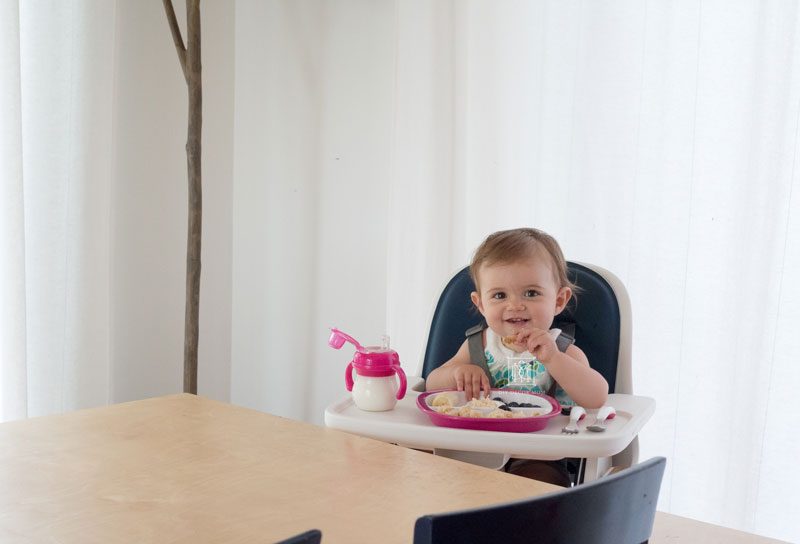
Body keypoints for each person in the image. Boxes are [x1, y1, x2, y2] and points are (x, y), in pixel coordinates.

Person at [425, 227, 608, 485]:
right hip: (476, 449)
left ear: (559, 300)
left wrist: (553, 359)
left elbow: (597, 396)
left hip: (541, 455)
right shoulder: (479, 344)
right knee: (438, 477)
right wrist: (457, 374)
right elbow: (431, 384)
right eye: (499, 295)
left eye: (531, 293)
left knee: (538, 485)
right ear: (481, 304)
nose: (515, 305)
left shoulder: (562, 349)